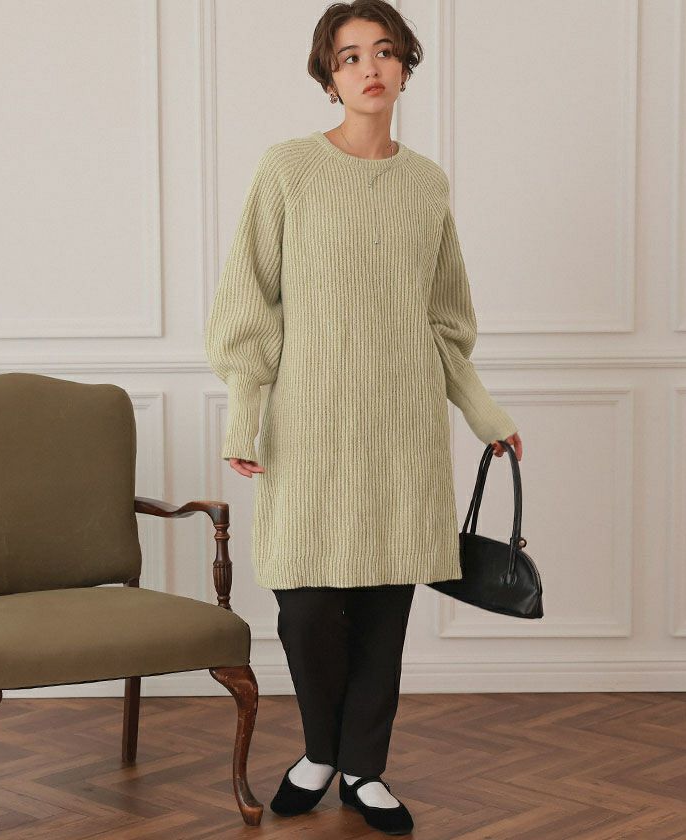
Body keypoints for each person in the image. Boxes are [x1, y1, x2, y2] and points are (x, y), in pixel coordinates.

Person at [204, 0, 523, 834]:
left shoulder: (426, 185)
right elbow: (247, 305)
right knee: (307, 607)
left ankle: (365, 771)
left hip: (402, 429)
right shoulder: (288, 169)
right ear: (329, 76)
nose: (370, 68)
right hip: (308, 428)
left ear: (405, 67)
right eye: (349, 57)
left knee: (385, 606)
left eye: (384, 52)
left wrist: (483, 413)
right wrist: (244, 415)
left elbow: (444, 321)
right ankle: (320, 752)